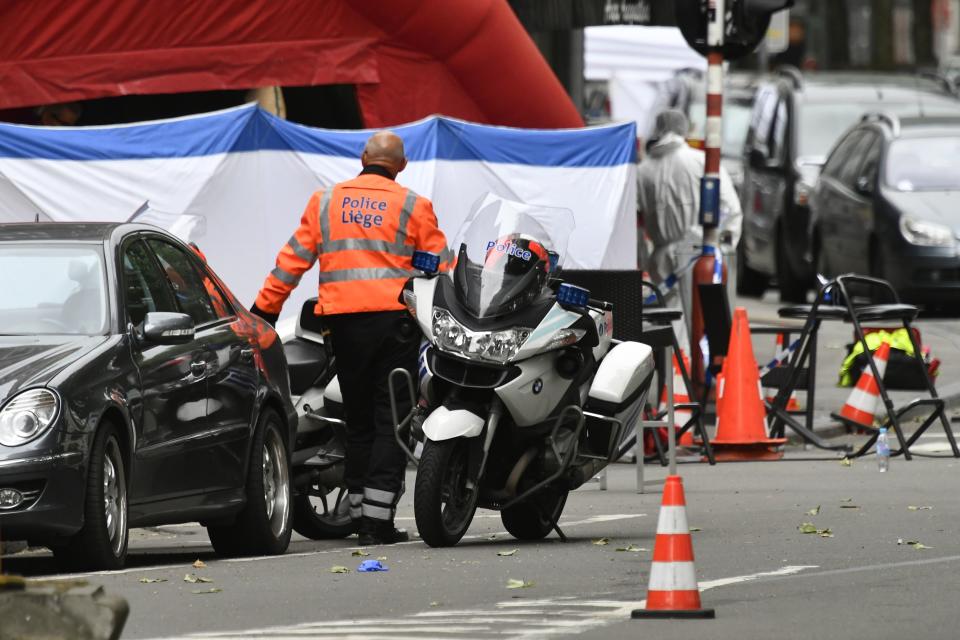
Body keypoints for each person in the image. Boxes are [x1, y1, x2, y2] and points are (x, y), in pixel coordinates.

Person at [251, 131, 449, 545]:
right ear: (403, 165)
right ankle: (376, 523)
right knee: (389, 419)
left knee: (356, 418)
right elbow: (442, 269)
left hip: (341, 327)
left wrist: (263, 313)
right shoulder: (414, 205)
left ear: (362, 157)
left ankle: (360, 514)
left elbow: (291, 263)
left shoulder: (324, 202)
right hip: (395, 326)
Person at [636, 109, 741, 350]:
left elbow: (636, 223)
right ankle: (698, 377)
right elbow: (730, 207)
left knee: (668, 320)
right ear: (684, 129)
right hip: (699, 253)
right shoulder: (701, 161)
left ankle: (674, 374)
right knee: (702, 321)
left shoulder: (643, 170)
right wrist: (717, 246)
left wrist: (642, 262)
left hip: (661, 258)